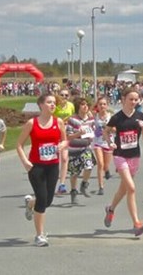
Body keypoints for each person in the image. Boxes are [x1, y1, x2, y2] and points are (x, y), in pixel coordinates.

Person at [16, 93, 68, 247]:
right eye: (49, 102)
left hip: (52, 165)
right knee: (43, 198)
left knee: (48, 200)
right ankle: (40, 235)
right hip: (36, 166)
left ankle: (30, 202)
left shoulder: (58, 122)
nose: (53, 105)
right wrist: (25, 161)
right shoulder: (32, 123)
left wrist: (62, 145)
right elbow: (18, 144)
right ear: (41, 105)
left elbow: (64, 140)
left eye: (54, 103)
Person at [102, 87, 143, 237]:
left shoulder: (141, 117)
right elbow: (106, 131)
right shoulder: (117, 118)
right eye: (130, 99)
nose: (133, 102)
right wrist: (110, 142)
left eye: (136, 99)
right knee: (131, 188)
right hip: (120, 156)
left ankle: (111, 209)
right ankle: (136, 222)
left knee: (123, 190)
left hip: (134, 156)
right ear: (123, 99)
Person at [66, 97, 96, 205]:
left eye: (87, 105)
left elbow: (93, 130)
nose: (85, 107)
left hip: (85, 147)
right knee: (74, 173)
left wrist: (91, 136)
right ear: (78, 107)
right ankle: (73, 191)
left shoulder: (91, 119)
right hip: (74, 148)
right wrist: (78, 134)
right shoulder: (72, 119)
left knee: (89, 165)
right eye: (83, 105)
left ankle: (84, 184)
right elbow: (68, 136)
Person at [54, 89, 75, 195]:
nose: (64, 97)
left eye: (66, 95)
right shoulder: (55, 106)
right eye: (62, 95)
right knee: (54, 159)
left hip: (65, 134)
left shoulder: (71, 105)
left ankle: (62, 184)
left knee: (65, 158)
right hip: (54, 134)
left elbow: (73, 117)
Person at [93, 96, 114, 195]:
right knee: (100, 164)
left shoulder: (111, 116)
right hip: (98, 142)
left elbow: (116, 130)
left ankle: (107, 170)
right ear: (97, 105)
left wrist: (109, 128)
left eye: (104, 104)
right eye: (100, 104)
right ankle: (101, 186)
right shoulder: (94, 116)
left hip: (108, 142)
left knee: (106, 165)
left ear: (107, 105)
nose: (102, 106)